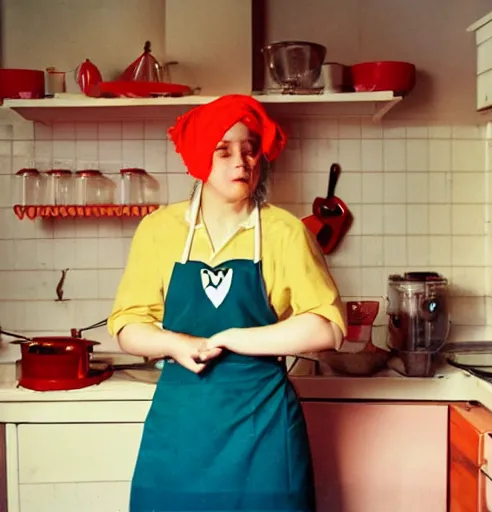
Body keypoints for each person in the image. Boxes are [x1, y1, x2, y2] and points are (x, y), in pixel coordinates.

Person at [107, 94, 347, 512]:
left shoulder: (285, 231)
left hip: (264, 424)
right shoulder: (159, 229)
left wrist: (236, 337)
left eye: (250, 150)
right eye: (225, 150)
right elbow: (127, 325)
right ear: (200, 157)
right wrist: (177, 344)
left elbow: (327, 328)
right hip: (181, 426)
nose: (242, 162)